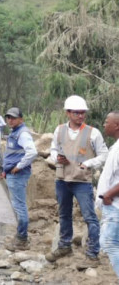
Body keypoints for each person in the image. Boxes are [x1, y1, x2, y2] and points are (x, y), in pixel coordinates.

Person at [45, 95, 108, 267]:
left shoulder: (92, 133)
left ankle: (92, 254)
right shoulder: (60, 130)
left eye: (83, 113)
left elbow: (104, 154)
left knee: (90, 217)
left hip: (82, 182)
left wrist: (88, 163)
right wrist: (56, 157)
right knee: (64, 214)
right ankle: (64, 246)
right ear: (68, 113)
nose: (81, 116)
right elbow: (53, 149)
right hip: (62, 179)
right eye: (77, 113)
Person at [0, 107, 37, 251]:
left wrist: (18, 167)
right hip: (12, 174)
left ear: (21, 119)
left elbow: (32, 152)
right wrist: (6, 170)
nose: (10, 120)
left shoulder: (22, 133)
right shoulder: (14, 132)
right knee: (17, 206)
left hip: (18, 175)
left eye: (13, 118)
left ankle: (22, 239)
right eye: (8, 117)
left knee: (20, 206)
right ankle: (20, 236)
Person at [96, 112, 119, 277]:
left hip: (114, 206)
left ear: (116, 125)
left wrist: (108, 195)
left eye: (106, 121)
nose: (104, 125)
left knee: (109, 243)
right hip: (112, 206)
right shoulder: (116, 147)